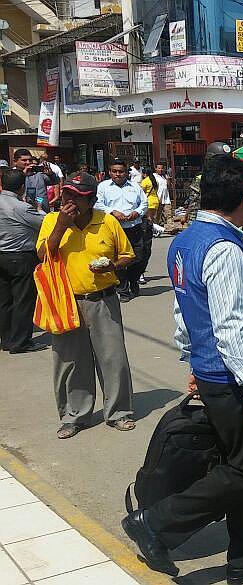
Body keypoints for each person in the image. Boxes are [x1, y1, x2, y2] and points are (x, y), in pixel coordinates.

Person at [122, 154, 243, 583]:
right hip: (236, 377)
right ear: (242, 199)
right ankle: (156, 523)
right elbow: (230, 324)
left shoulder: (186, 241)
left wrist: (192, 359)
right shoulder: (225, 249)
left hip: (213, 371)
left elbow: (185, 310)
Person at [37, 172, 136, 439]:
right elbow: (44, 255)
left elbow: (127, 254)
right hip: (66, 302)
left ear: (91, 200)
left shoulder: (107, 222)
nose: (70, 201)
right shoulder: (51, 220)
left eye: (78, 197)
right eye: (67, 194)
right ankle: (74, 415)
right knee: (70, 361)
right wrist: (61, 226)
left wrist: (112, 266)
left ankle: (118, 412)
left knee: (113, 359)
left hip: (103, 299)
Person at [0, 168, 46, 353]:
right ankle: (20, 342)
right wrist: (40, 209)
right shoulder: (21, 207)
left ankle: (6, 338)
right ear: (22, 187)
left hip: (2, 255)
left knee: (4, 300)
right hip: (20, 256)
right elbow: (43, 223)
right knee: (23, 300)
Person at [95, 159, 148, 301]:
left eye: (121, 171)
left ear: (126, 172)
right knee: (118, 261)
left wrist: (137, 213)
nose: (118, 174)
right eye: (114, 171)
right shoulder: (103, 187)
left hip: (133, 227)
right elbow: (97, 204)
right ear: (110, 172)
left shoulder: (135, 187)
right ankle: (123, 290)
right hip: (113, 229)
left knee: (138, 258)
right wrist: (112, 212)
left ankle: (133, 281)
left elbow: (144, 203)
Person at [154, 162, 172, 228]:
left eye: (162, 168)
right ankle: (156, 227)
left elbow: (169, 186)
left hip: (166, 198)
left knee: (169, 214)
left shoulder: (165, 176)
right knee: (157, 215)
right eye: (159, 168)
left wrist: (168, 179)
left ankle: (170, 227)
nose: (161, 170)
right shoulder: (154, 176)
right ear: (156, 169)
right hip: (158, 198)